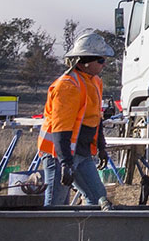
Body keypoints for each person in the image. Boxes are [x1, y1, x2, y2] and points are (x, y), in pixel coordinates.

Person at [39, 31, 114, 208]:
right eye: (101, 60)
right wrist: (65, 163)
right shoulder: (67, 86)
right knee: (55, 204)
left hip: (81, 152)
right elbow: (60, 128)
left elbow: (96, 119)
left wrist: (101, 147)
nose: (104, 64)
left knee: (98, 198)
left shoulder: (95, 82)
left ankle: (85, 234)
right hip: (58, 154)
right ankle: (49, 235)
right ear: (86, 61)